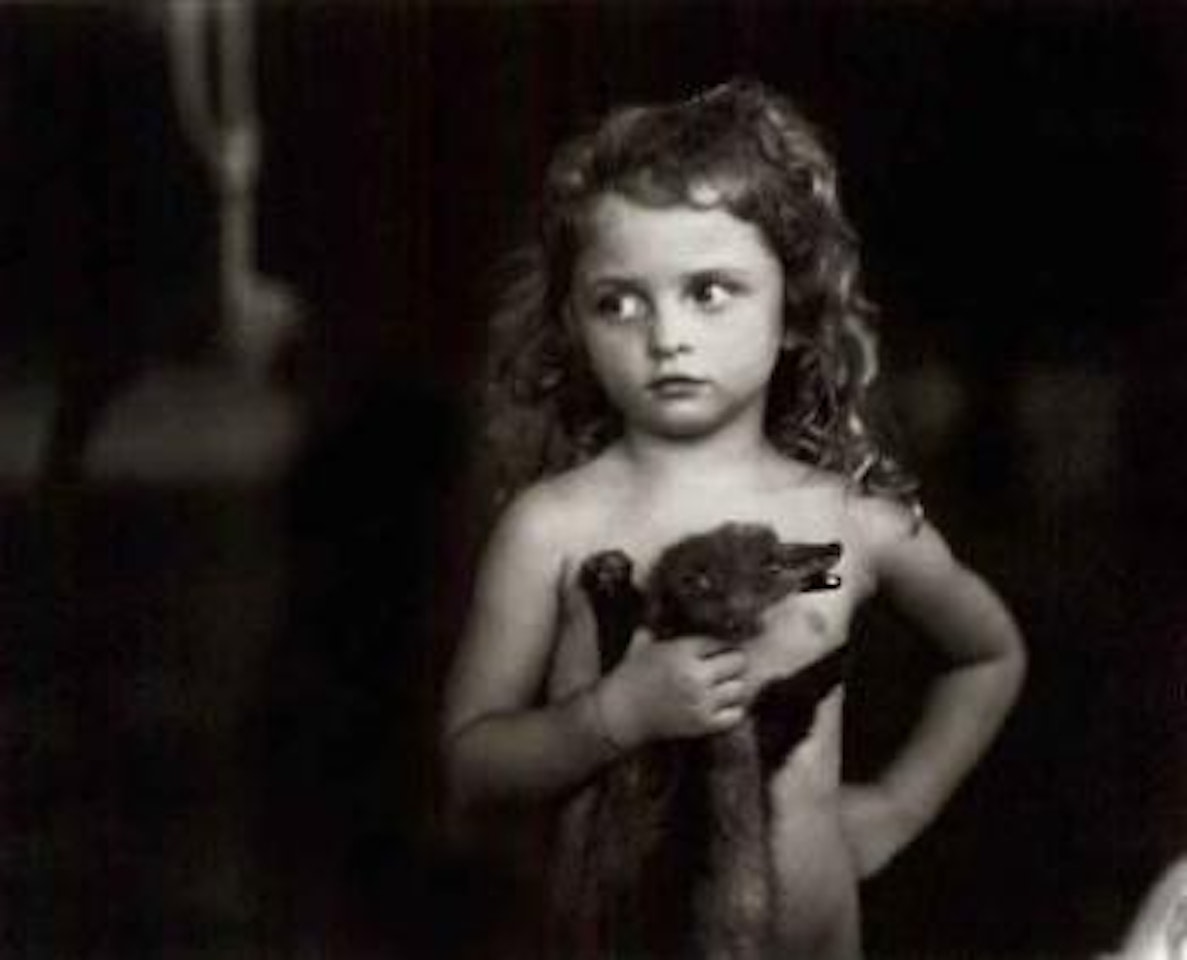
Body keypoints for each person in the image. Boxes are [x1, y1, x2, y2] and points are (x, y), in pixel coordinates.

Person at [442, 78, 1026, 959]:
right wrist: (612, 715)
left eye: (709, 291)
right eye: (619, 301)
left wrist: (899, 805)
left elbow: (986, 652)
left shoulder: (841, 529)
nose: (665, 335)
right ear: (571, 322)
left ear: (792, 307)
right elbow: (471, 763)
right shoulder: (552, 530)